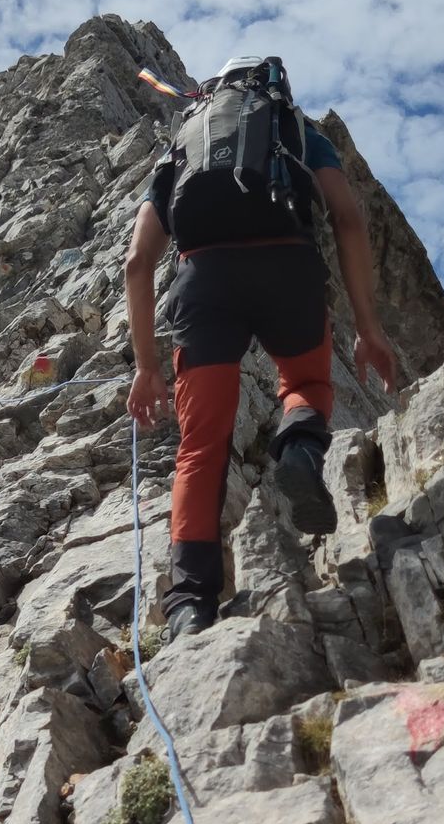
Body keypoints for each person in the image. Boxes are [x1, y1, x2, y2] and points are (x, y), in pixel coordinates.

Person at [124, 55, 398, 638]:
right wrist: (369, 329)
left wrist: (146, 367)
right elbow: (347, 219)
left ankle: (189, 605)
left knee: (200, 448)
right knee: (305, 385)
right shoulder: (296, 128)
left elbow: (136, 261)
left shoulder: (187, 139)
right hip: (288, 267)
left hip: (205, 280)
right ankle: (299, 446)